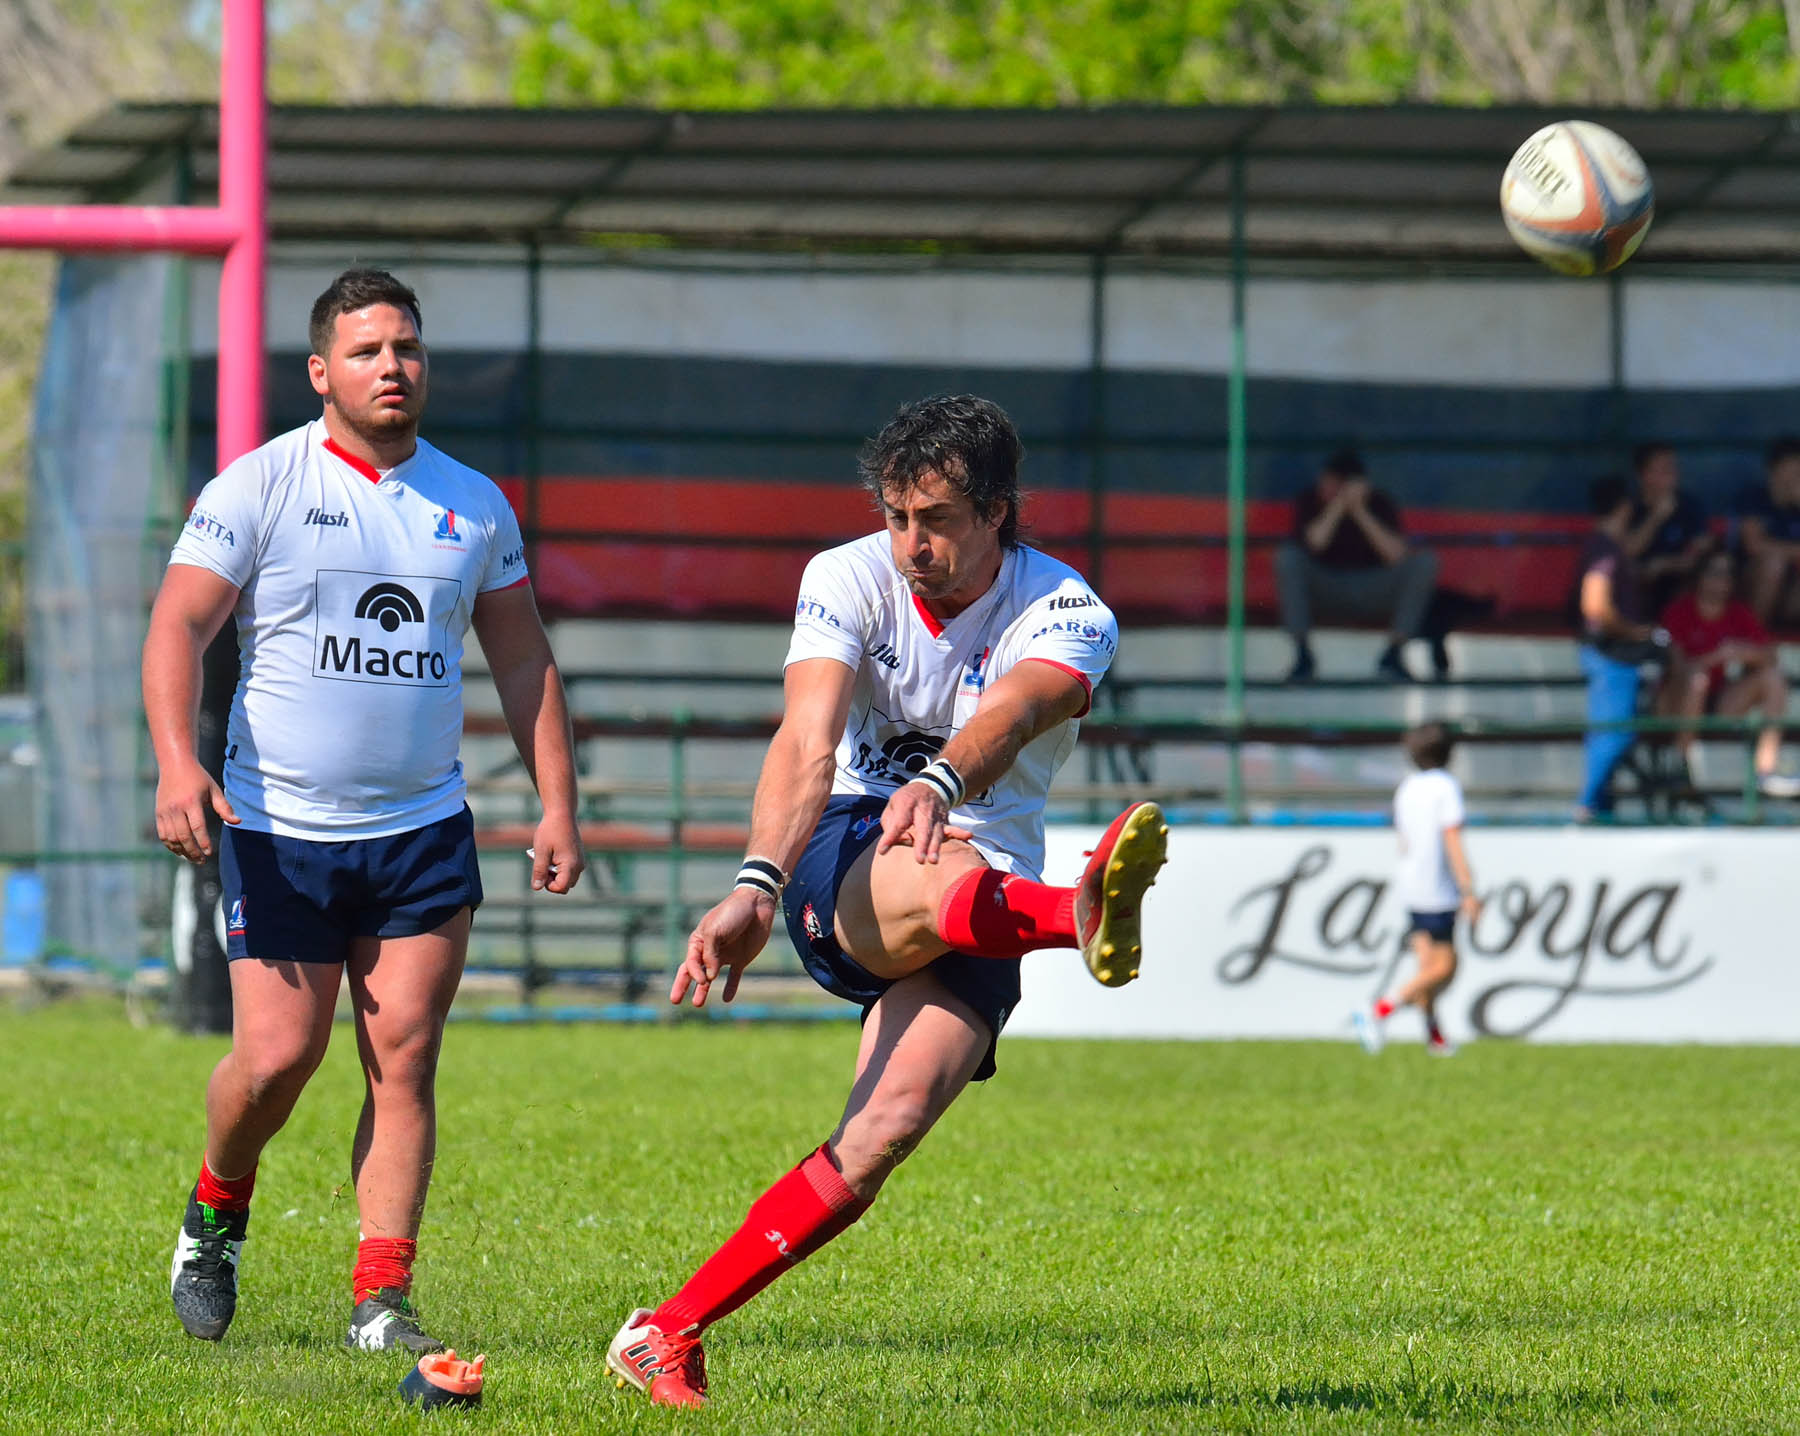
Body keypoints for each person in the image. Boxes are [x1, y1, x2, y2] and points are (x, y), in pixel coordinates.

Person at [601, 395, 1168, 1409]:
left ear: (998, 510)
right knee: (938, 864)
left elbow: (1015, 708)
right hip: (849, 852)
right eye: (898, 515)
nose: (912, 542)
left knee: (882, 1130)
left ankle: (665, 1330)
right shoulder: (847, 575)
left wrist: (941, 781)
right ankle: (1070, 914)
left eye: (938, 518)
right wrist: (755, 884)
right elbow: (806, 739)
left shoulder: (1070, 607)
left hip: (977, 869)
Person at [147, 268, 587, 1351]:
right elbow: (176, 629)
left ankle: (381, 1298)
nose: (392, 367)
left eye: (408, 348)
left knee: (405, 1060)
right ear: (320, 371)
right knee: (276, 1060)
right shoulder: (258, 485)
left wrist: (558, 806)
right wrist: (173, 762)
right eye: (366, 350)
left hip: (422, 830)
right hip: (276, 824)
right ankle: (217, 1210)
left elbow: (523, 658)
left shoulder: (472, 501)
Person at [1353, 722, 1479, 1057]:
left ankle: (1434, 1036)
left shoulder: (1407, 787)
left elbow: (1403, 838)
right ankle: (1379, 1010)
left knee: (1426, 967)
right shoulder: (1445, 787)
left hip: (1411, 884)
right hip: (1436, 888)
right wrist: (1467, 889)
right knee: (1444, 967)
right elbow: (1451, 838)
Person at [1275, 448, 1437, 683]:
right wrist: (1338, 507)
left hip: (1373, 589)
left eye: (1333, 483)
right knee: (1288, 557)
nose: (1325, 487)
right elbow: (1315, 543)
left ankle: (1394, 654)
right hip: (1325, 588)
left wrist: (1360, 510)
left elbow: (1395, 555)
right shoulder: (1309, 500)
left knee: (1424, 562)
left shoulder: (1379, 502)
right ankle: (1302, 654)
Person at [1658, 549, 1800, 799]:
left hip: (1719, 702)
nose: (1720, 581)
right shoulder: (1679, 611)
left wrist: (1739, 652)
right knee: (1696, 680)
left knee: (1773, 677)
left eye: (1727, 575)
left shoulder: (1737, 613)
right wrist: (1711, 659)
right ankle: (1680, 767)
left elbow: (1769, 655)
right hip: (1675, 703)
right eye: (1714, 573)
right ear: (1700, 576)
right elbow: (1676, 667)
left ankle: (1765, 772)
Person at [1574, 473, 1667, 820]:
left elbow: (1632, 548)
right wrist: (1635, 633)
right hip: (1610, 656)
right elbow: (1595, 606)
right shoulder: (1604, 549)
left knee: (1614, 731)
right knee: (1613, 733)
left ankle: (1597, 800)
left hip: (1612, 654)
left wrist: (1657, 518)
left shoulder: (1609, 545)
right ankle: (1587, 803)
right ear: (1625, 507)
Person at [1622, 442, 1711, 617]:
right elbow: (1625, 552)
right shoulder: (1627, 507)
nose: (1673, 475)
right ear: (1643, 475)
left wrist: (1663, 565)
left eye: (1673, 468)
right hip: (1638, 583)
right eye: (1664, 469)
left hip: (1678, 580)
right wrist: (1656, 517)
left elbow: (1699, 556)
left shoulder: (1690, 506)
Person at [1739, 435, 1800, 626]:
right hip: (1748, 584)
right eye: (1794, 468)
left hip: (1790, 593)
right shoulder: (1754, 497)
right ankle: (1753, 634)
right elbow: (1754, 546)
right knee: (1774, 563)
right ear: (1775, 469)